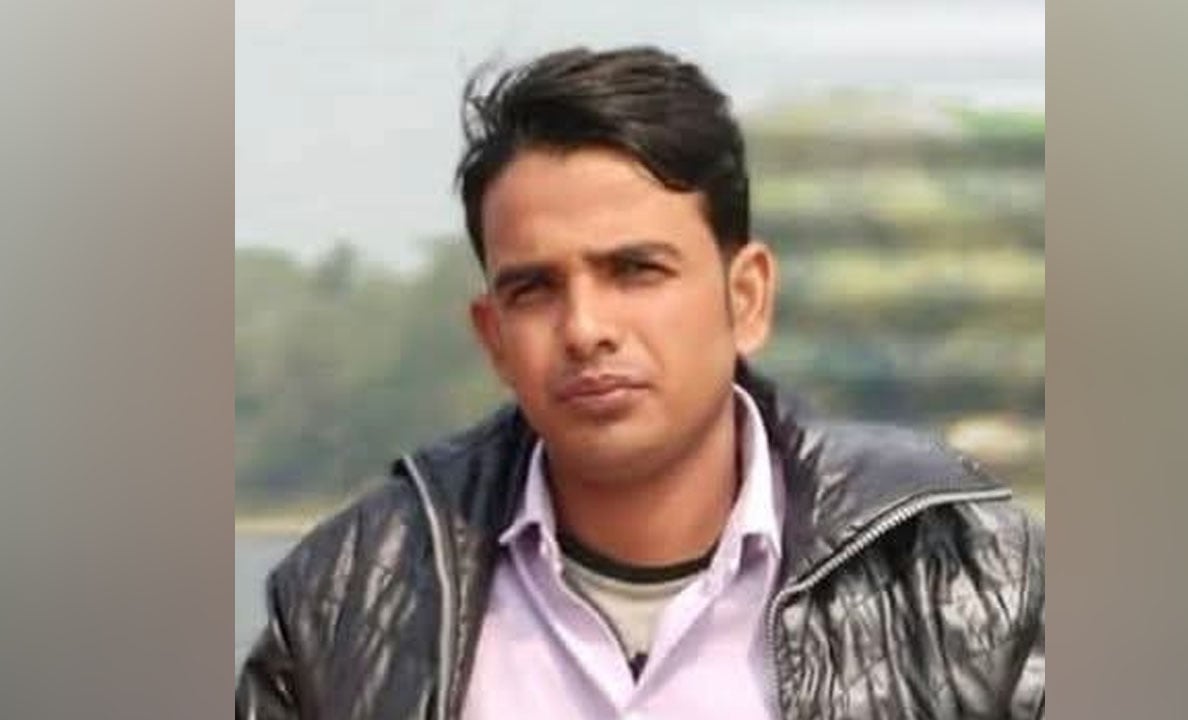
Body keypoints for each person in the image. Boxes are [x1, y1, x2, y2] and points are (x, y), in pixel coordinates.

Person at [236, 46, 1045, 720]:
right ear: (494, 338)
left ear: (746, 298)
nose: (585, 327)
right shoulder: (345, 600)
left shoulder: (962, 576)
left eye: (635, 270)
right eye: (534, 289)